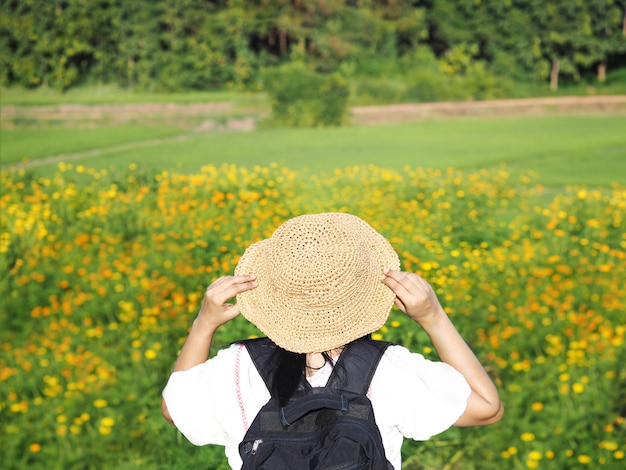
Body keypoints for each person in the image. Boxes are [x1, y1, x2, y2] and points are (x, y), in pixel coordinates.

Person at [161, 212, 503, 469]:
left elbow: (174, 409)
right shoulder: (389, 370)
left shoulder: (236, 368)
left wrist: (203, 324)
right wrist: (434, 318)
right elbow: (487, 408)